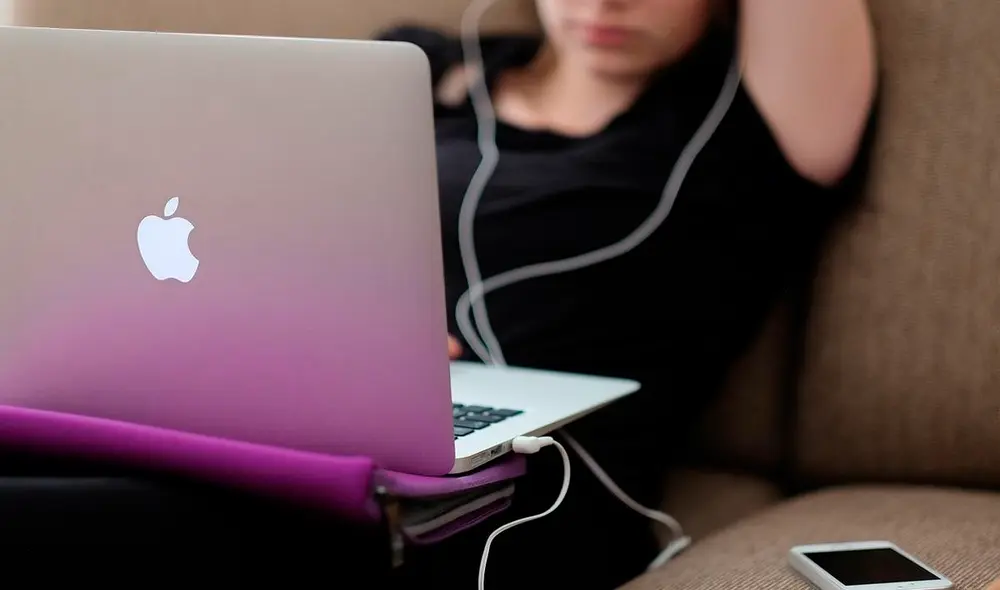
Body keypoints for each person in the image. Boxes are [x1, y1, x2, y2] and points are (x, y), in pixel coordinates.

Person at [380, 0, 879, 588]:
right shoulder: (420, 67)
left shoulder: (751, 121)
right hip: (345, 418)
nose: (604, 3)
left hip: (537, 493)